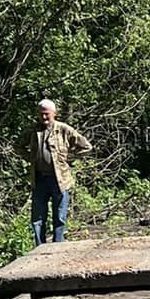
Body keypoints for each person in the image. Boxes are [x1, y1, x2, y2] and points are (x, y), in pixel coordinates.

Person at [21, 98, 92, 245]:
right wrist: (31, 158)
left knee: (59, 216)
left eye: (46, 114)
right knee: (37, 217)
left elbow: (86, 147)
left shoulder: (64, 129)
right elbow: (17, 146)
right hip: (39, 179)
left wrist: (68, 158)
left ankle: (58, 246)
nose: (44, 117)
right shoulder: (33, 131)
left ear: (54, 113)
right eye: (41, 114)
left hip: (59, 179)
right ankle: (39, 247)